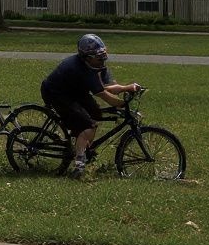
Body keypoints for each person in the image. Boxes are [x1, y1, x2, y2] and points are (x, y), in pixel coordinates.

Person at [40, 34, 140, 179]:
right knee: (88, 126)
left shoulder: (96, 65)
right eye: (99, 58)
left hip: (75, 90)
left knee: (96, 115)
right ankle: (78, 167)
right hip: (57, 94)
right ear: (87, 57)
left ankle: (82, 145)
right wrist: (124, 104)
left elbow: (109, 86)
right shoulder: (81, 69)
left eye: (104, 57)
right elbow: (105, 96)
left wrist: (127, 88)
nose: (102, 61)